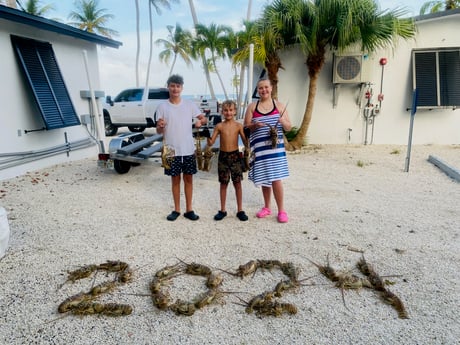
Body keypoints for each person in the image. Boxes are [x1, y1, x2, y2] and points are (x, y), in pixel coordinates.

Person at [156, 74, 207, 221]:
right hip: (171, 150)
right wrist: (160, 126)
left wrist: (200, 122)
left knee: (189, 179)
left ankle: (189, 209)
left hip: (188, 149)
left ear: (182, 88)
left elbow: (203, 118)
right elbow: (159, 130)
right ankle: (177, 209)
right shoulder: (162, 107)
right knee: (175, 180)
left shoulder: (189, 104)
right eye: (172, 85)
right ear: (168, 87)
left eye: (178, 86)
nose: (175, 89)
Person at [243, 78, 292, 223]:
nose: (263, 90)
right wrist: (254, 125)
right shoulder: (252, 106)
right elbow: (245, 127)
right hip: (260, 150)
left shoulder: (280, 106)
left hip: (275, 150)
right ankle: (267, 207)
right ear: (257, 91)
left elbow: (289, 127)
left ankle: (281, 210)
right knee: (265, 178)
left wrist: (283, 122)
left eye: (266, 87)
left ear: (271, 88)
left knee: (276, 178)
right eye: (260, 88)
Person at [207, 100, 249, 221]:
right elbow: (211, 142)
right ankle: (223, 210)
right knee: (223, 183)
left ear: (235, 111)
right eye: (226, 110)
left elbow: (246, 142)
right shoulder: (219, 126)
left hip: (235, 156)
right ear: (222, 111)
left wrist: (248, 136)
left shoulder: (238, 126)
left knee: (237, 183)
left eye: (231, 110)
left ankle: (240, 210)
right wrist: (207, 136)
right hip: (223, 157)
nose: (228, 112)